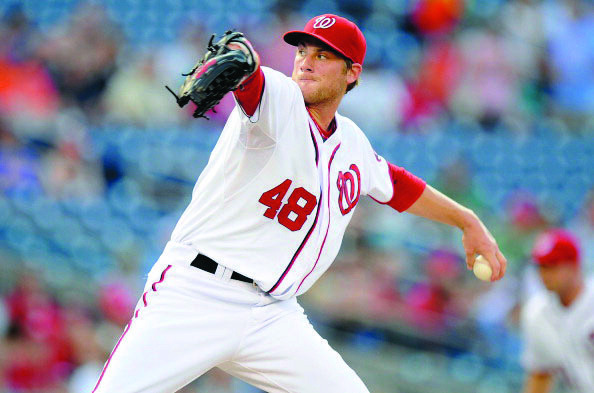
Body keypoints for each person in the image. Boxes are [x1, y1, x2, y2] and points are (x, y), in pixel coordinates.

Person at [92, 14, 506, 393]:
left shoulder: (352, 143)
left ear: (352, 73)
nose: (305, 62)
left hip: (273, 314)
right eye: (302, 51)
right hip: (197, 294)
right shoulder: (280, 101)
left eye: (323, 55)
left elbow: (396, 185)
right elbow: (253, 81)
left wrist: (466, 220)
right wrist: (244, 61)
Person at [521, 228, 594, 393]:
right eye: (541, 266)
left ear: (574, 266)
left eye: (552, 265)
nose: (544, 274)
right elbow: (540, 375)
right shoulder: (536, 314)